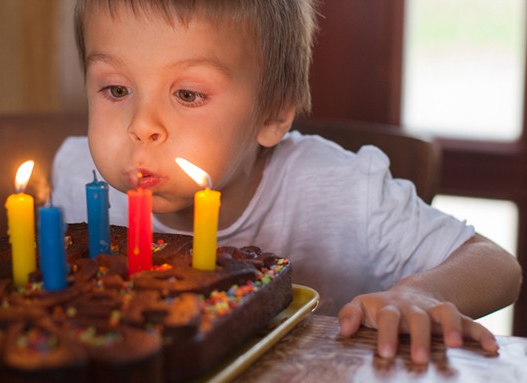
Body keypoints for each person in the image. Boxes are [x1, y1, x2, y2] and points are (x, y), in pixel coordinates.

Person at [52, 0, 522, 364]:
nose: (141, 125)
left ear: (273, 114)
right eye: (116, 89)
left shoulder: (340, 190)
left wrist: (421, 294)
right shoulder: (79, 178)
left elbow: (497, 266)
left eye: (188, 94)